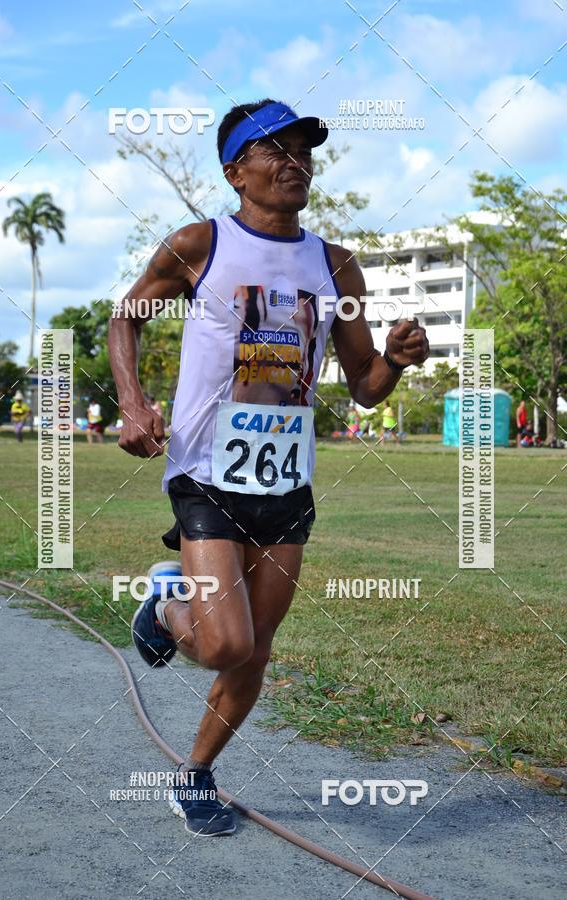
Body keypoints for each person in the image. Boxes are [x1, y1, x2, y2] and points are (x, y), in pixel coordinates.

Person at [108, 98, 429, 837]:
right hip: (207, 471)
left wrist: (399, 364)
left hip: (286, 479)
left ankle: (195, 774)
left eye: (302, 150)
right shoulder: (200, 245)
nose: (293, 162)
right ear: (235, 171)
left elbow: (363, 386)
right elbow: (125, 316)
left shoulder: (337, 266)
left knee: (257, 653)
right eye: (273, 150)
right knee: (226, 642)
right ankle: (164, 605)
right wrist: (132, 403)